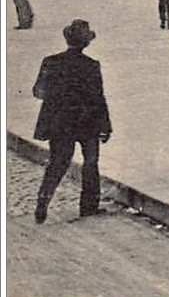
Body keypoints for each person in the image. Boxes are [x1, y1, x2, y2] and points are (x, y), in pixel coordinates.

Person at [31, 18, 112, 223]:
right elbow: (98, 98)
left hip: (60, 122)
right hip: (87, 121)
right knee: (90, 163)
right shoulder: (91, 65)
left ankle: (43, 201)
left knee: (58, 162)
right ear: (85, 43)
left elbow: (38, 91)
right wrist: (105, 126)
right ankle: (88, 207)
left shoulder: (51, 61)